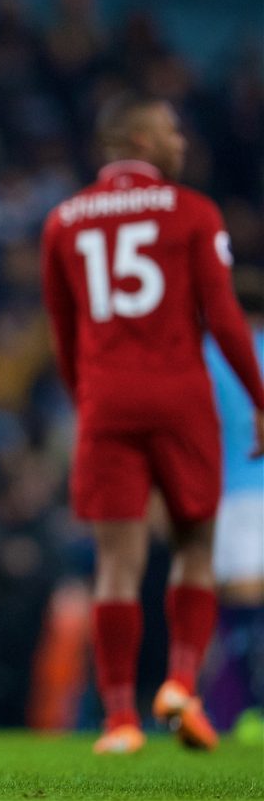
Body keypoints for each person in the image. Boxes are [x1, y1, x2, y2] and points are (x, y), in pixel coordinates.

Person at [39, 92, 264, 755]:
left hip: (107, 400)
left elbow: (63, 333)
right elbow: (223, 318)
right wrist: (260, 396)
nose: (181, 142)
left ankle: (118, 720)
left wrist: (89, 403)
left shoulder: (63, 221)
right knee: (195, 547)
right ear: (137, 137)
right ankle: (180, 684)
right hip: (178, 396)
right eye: (169, 130)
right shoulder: (193, 212)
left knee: (116, 562)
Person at [203, 269, 264, 741]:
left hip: (230, 497)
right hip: (248, 494)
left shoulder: (209, 355)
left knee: (239, 609)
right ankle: (239, 712)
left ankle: (247, 713)